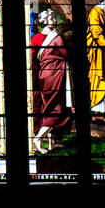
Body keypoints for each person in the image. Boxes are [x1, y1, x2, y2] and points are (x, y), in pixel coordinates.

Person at [30, 9, 73, 153]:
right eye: (50, 17)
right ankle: (38, 138)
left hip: (43, 74)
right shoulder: (57, 37)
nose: (53, 18)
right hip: (55, 74)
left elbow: (33, 57)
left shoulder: (36, 37)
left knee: (47, 106)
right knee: (55, 107)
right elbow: (66, 54)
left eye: (53, 16)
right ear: (44, 21)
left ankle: (50, 142)